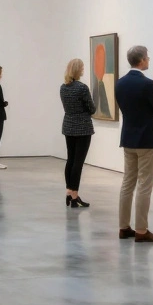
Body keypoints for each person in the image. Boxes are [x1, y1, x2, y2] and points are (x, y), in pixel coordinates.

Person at [114, 45, 153, 242]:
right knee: (144, 185)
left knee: (128, 183)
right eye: (148, 57)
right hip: (147, 140)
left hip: (128, 139)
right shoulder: (147, 84)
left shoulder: (120, 83)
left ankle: (123, 227)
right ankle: (141, 231)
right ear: (142, 59)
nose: (148, 60)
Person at [60, 58, 94, 208]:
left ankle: (69, 191)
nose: (83, 70)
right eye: (82, 68)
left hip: (68, 126)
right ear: (77, 70)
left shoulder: (63, 87)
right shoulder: (82, 88)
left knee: (71, 159)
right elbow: (92, 108)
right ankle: (74, 196)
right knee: (78, 163)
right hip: (82, 128)